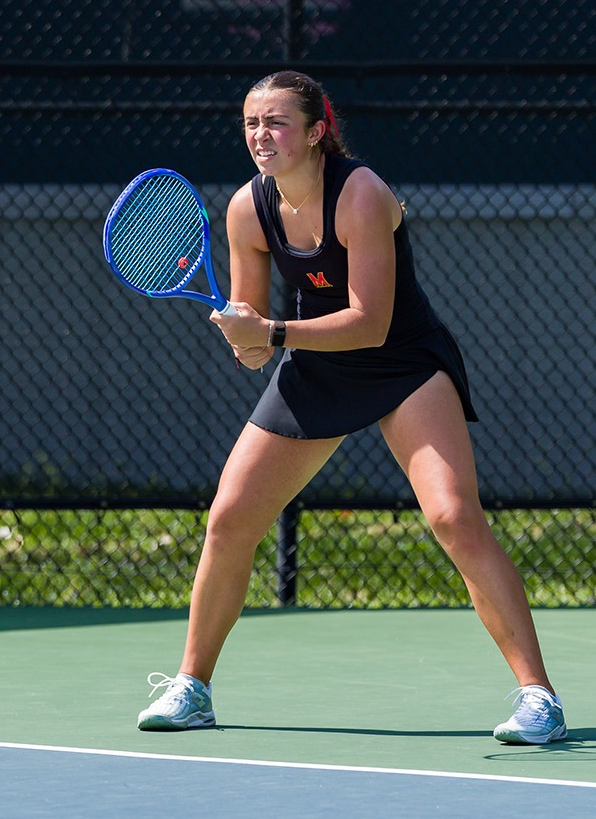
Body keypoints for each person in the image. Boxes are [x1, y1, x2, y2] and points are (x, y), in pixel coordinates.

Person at [135, 70, 566, 746]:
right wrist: (247, 339)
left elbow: (369, 322)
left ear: (315, 132)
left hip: (404, 363)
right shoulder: (247, 209)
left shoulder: (361, 193)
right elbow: (256, 344)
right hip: (317, 368)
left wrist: (271, 333)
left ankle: (539, 698)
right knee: (230, 518)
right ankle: (193, 688)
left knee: (454, 518)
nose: (261, 135)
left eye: (276, 122)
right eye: (251, 123)